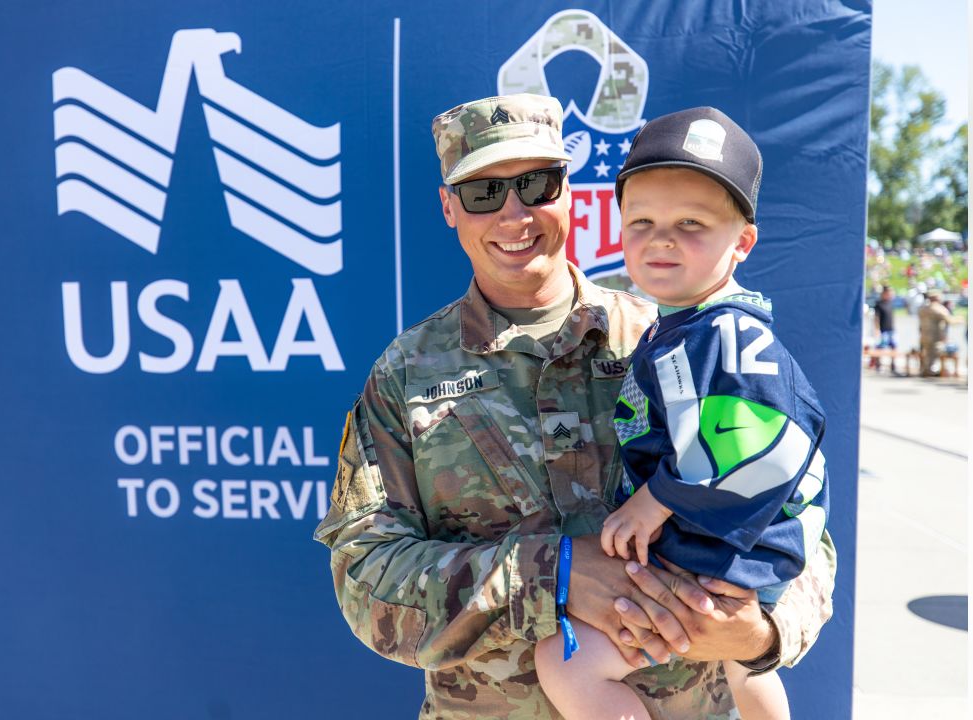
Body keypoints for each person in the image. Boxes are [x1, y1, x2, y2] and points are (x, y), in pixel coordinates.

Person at [313, 93, 837, 719]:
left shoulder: (676, 339)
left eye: (536, 184)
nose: (514, 215)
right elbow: (366, 580)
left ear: (569, 194)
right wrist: (550, 575)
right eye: (483, 193)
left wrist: (760, 634)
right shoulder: (405, 376)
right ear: (449, 208)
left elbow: (797, 518)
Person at [532, 107, 829, 720]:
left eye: (691, 223)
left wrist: (657, 498)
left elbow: (762, 444)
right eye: (641, 221)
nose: (661, 238)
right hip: (723, 558)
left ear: (742, 242)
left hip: (713, 557)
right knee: (742, 668)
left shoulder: (725, 336)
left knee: (566, 662)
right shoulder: (684, 328)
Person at [918, 290, 962, 376]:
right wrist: (961, 319)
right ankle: (933, 371)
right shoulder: (938, 308)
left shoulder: (923, 309)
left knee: (928, 354)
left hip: (924, 335)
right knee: (936, 353)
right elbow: (950, 320)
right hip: (935, 336)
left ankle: (926, 370)